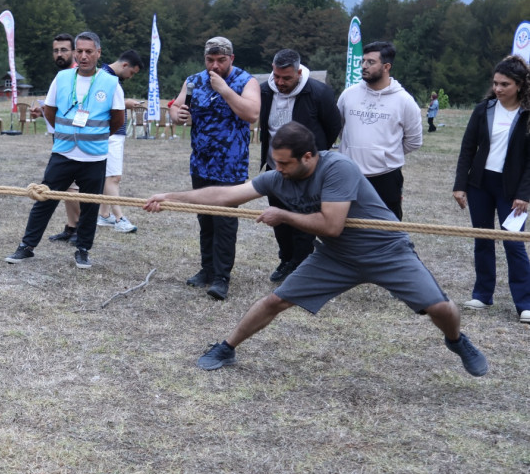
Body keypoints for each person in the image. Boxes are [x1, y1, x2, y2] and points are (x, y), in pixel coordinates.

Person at [144, 121, 488, 377]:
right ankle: (226, 348)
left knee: (440, 308)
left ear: (308, 156)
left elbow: (331, 224)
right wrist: (171, 197)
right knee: (275, 300)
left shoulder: (338, 167)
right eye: (274, 163)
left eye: (284, 163)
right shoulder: (278, 176)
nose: (276, 170)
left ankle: (456, 340)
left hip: (386, 251)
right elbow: (226, 195)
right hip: (336, 256)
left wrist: (282, 214)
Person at [5, 32, 124, 269]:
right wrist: (65, 132)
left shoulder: (111, 83)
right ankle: (27, 247)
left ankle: (83, 250)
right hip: (63, 152)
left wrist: (94, 136)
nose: (83, 56)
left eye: (89, 51)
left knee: (90, 207)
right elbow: (49, 109)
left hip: (95, 156)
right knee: (44, 199)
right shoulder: (62, 78)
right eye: (79, 51)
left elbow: (118, 119)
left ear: (98, 53)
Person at [168, 36, 260, 300]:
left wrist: (224, 90)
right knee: (205, 219)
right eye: (210, 60)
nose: (215, 65)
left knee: (225, 222)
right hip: (201, 163)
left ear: (232, 58)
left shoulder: (246, 81)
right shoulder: (194, 80)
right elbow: (175, 107)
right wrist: (178, 115)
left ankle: (222, 277)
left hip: (230, 167)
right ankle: (206, 269)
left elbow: (252, 114)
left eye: (221, 60)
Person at [452, 55, 530, 323]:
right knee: (482, 239)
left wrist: (524, 195)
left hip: (512, 190)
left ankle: (525, 303)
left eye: (505, 84)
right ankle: (483, 294)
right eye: (495, 83)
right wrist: (460, 185)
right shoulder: (483, 109)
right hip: (480, 185)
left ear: (519, 85)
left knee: (514, 243)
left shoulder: (527, 115)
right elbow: (467, 148)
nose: (498, 89)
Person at [259, 48, 341, 283]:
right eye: (276, 76)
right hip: (276, 168)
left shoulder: (319, 92)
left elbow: (333, 126)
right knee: (279, 219)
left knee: (305, 220)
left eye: (287, 78)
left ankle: (303, 265)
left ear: (299, 72)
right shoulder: (265, 90)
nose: (280, 82)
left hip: (307, 171)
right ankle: (286, 260)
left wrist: (313, 157)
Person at [337, 41, 422, 221]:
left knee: (387, 228)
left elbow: (414, 141)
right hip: (349, 174)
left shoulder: (404, 101)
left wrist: (385, 154)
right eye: (363, 61)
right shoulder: (348, 94)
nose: (364, 66)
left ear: (386, 66)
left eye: (371, 62)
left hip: (386, 177)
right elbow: (339, 127)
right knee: (347, 227)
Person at [39, 33, 83, 245]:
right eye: (56, 50)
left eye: (64, 50)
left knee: (71, 186)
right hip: (59, 138)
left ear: (74, 52)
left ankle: (79, 229)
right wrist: (41, 111)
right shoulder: (61, 77)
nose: (59, 54)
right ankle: (72, 226)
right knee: (67, 186)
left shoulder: (78, 76)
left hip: (75, 139)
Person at [97, 49, 144, 234]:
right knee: (113, 177)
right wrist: (126, 103)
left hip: (113, 133)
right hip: (111, 133)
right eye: (132, 72)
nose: (131, 77)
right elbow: (101, 102)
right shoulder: (105, 77)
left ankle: (105, 215)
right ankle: (119, 218)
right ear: (125, 65)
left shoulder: (106, 76)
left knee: (107, 177)